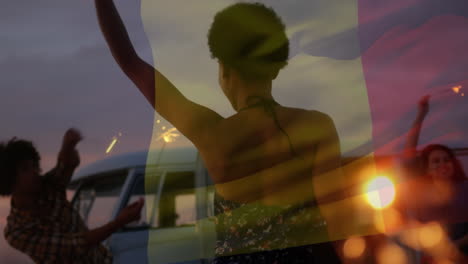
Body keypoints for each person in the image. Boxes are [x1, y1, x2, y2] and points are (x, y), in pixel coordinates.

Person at [95, 1, 344, 263]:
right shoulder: (317, 126)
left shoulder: (211, 133)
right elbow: (336, 216)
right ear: (274, 68)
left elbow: (130, 62)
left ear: (225, 69)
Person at [1, 128, 144, 264]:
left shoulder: (46, 187)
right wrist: (119, 222)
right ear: (8, 179)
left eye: (34, 166)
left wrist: (67, 146)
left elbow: (64, 166)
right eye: (25, 169)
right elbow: (75, 245)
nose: (35, 172)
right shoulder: (17, 232)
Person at [401, 95, 468, 261]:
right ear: (427, 168)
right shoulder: (421, 191)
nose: (443, 164)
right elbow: (409, 152)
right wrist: (421, 114)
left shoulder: (465, 188)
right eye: (436, 161)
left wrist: (457, 246)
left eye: (446, 160)